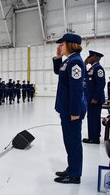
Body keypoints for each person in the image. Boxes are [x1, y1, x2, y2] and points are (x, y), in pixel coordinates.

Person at [52, 33, 86, 184]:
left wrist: (74, 112)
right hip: (66, 109)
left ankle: (74, 175)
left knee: (73, 142)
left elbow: (76, 90)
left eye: (63, 44)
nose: (60, 46)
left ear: (71, 44)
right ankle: (72, 168)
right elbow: (58, 71)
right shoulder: (69, 60)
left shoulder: (75, 62)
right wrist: (58, 57)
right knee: (69, 141)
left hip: (72, 111)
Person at [83, 50, 105, 144]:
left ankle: (94, 139)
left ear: (95, 57)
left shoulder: (98, 68)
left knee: (94, 118)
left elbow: (101, 84)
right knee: (91, 118)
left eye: (90, 56)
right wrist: (84, 64)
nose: (89, 58)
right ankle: (93, 136)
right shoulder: (92, 68)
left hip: (95, 100)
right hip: (90, 99)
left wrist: (95, 98)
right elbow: (84, 77)